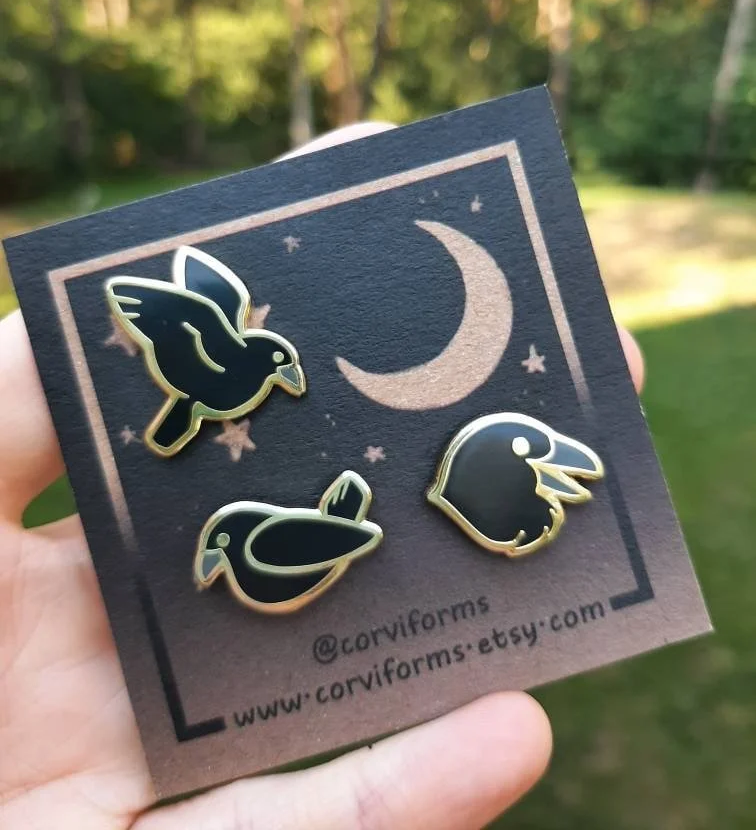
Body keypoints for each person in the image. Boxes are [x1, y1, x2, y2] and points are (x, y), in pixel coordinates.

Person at [0, 123, 644, 830]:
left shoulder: (256, 393)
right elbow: (172, 313)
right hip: (220, 424)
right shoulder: (229, 365)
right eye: (282, 365)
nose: (289, 375)